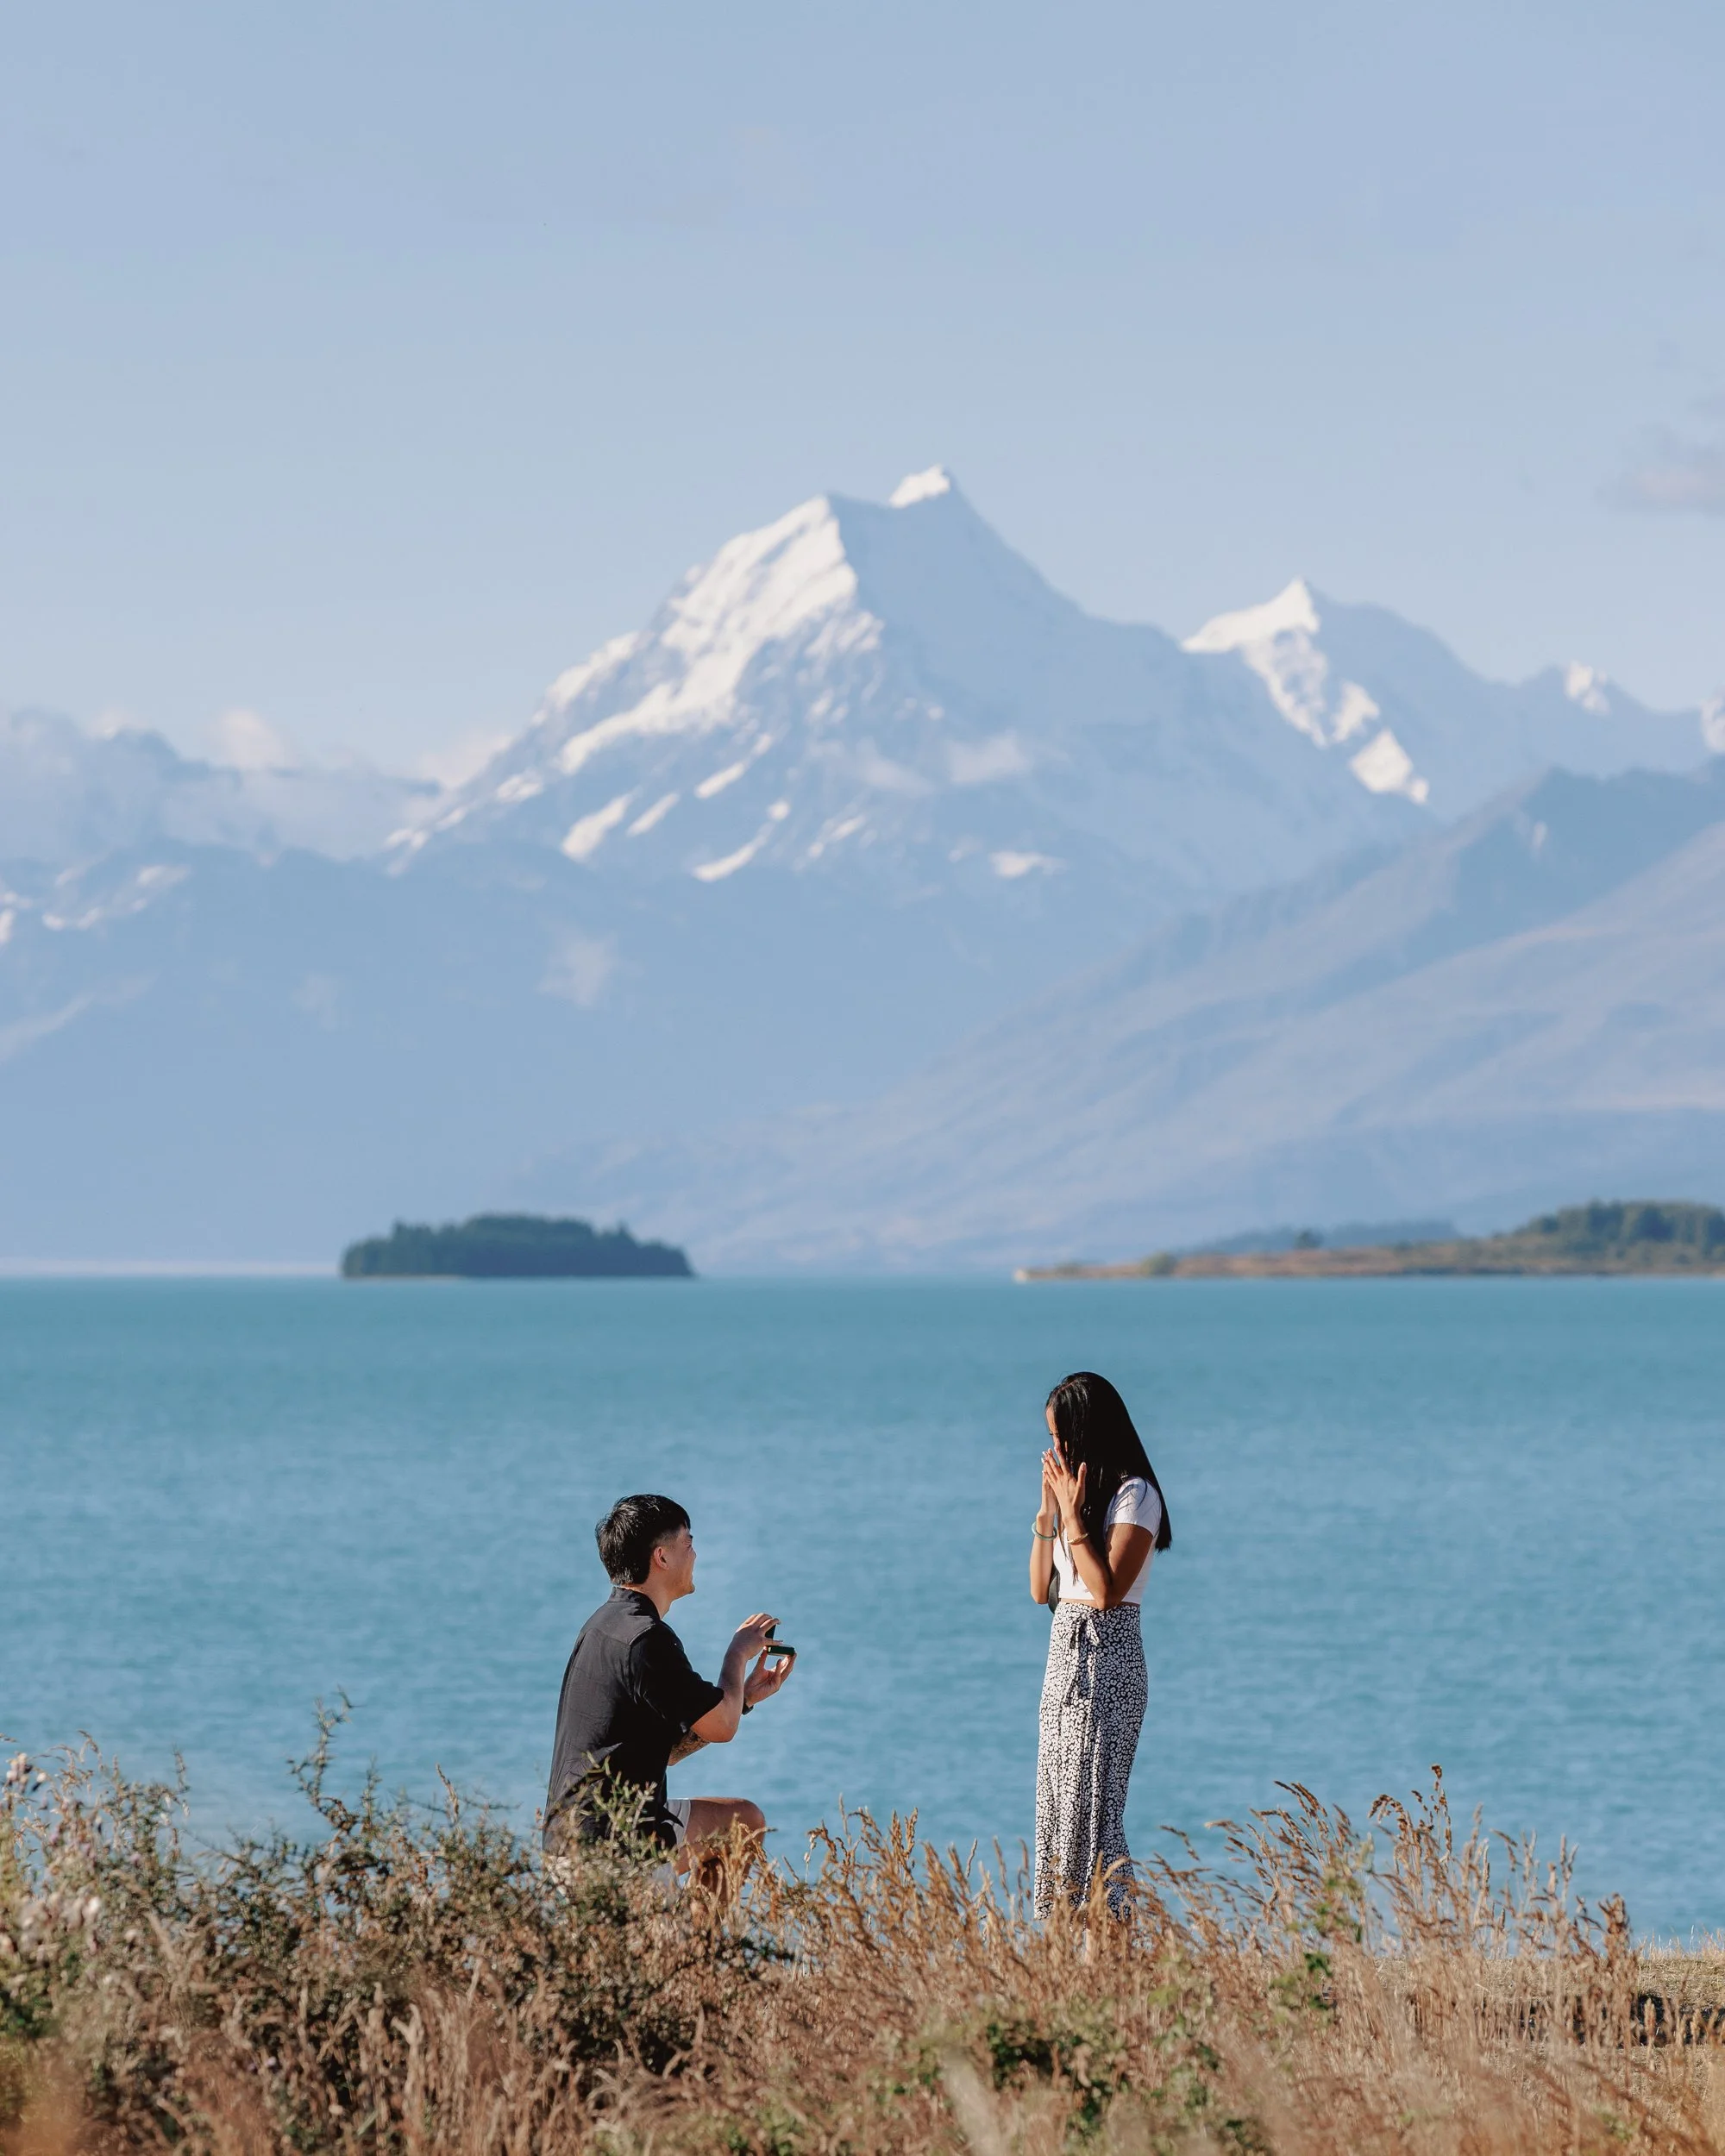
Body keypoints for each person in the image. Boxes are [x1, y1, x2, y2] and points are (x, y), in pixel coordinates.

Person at [543, 1492, 793, 1874]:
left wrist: (741, 1698)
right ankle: (693, 1936)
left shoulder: (601, 1626)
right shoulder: (647, 1639)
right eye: (688, 1543)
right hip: (616, 1849)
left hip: (572, 1836)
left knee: (743, 1822)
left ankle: (703, 1938)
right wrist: (737, 1655)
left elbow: (661, 1750)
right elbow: (723, 1728)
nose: (694, 1555)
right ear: (662, 1557)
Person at [1028, 1371, 1172, 1915]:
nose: (1057, 1450)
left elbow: (1108, 1592)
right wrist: (1049, 1514)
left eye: (1064, 1437)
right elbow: (1040, 1588)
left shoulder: (1136, 1496)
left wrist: (1072, 1513)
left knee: (1095, 1819)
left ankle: (1111, 1960)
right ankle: (1069, 1962)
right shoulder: (1076, 1505)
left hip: (1108, 1658)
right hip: (1064, 1660)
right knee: (1060, 1816)